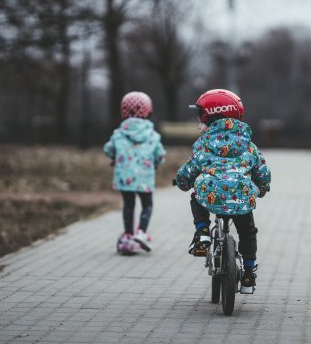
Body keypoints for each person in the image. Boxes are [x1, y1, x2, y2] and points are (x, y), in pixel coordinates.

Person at [174, 89, 271, 293]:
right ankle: (248, 272)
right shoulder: (248, 145)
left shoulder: (203, 144)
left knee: (196, 196)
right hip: (241, 198)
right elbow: (262, 170)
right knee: (247, 231)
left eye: (201, 119)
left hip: (211, 194)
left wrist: (182, 182)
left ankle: (202, 232)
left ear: (212, 118)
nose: (198, 125)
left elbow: (190, 169)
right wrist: (261, 188)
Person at [104, 91, 166, 255]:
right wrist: (156, 163)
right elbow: (159, 155)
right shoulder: (152, 135)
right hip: (145, 177)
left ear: (124, 110)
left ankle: (128, 236)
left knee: (128, 206)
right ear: (148, 111)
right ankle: (141, 232)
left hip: (125, 178)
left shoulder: (119, 133)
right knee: (147, 205)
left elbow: (108, 149)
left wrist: (114, 157)